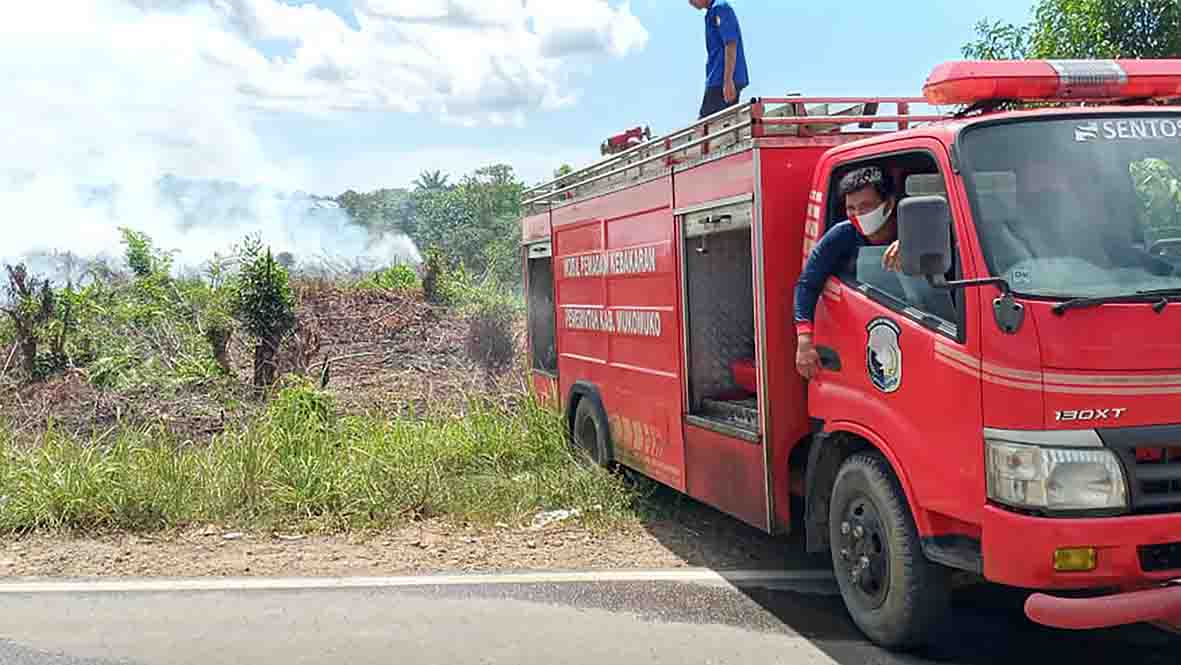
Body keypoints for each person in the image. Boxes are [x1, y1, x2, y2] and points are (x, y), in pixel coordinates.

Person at [795, 166, 902, 379]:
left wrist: (914, 245)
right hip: (862, 341)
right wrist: (804, 341)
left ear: (889, 204)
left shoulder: (910, 230)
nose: (858, 215)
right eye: (851, 208)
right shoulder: (842, 235)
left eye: (866, 207)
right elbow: (807, 285)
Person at [689, 0, 749, 119]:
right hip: (719, 77)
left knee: (704, 125)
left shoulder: (720, 8)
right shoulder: (712, 12)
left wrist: (727, 80)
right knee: (723, 124)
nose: (690, 2)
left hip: (721, 79)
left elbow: (731, 43)